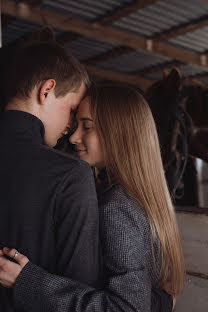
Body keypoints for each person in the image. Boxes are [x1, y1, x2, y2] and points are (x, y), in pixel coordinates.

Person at [0, 84, 184, 311]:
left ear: (120, 132)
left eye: (87, 127)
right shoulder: (136, 197)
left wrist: (26, 281)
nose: (74, 137)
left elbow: (127, 308)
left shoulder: (116, 206)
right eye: (76, 125)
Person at [0, 41, 101, 311]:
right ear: (47, 90)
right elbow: (84, 293)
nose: (70, 127)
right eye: (71, 110)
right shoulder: (70, 175)